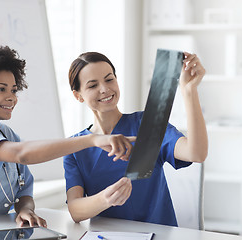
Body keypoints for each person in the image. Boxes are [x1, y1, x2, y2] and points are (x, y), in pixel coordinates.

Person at [0, 43, 135, 226]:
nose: (11, 97)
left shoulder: (7, 134)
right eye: (1, 89)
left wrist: (24, 209)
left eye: (13, 89)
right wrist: (92, 140)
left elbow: (23, 190)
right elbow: (22, 154)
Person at [64, 51, 208, 226]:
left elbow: (196, 153)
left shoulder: (146, 125)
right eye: (93, 85)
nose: (104, 89)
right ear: (78, 95)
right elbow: (75, 210)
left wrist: (189, 90)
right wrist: (106, 199)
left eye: (109, 79)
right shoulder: (76, 147)